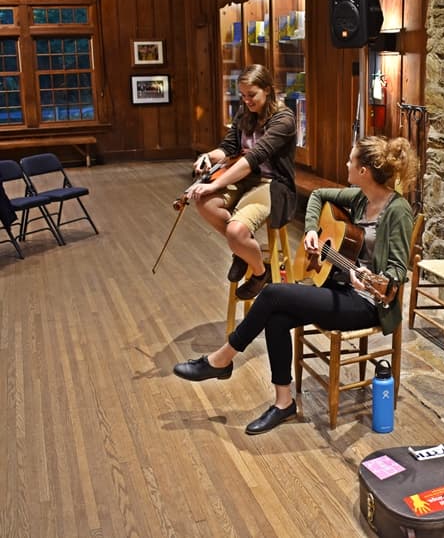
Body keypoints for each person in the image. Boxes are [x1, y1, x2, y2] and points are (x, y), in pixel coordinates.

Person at [174, 135, 419, 435]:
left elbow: (397, 271)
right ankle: (283, 403)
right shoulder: (360, 197)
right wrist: (314, 230)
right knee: (277, 318)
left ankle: (222, 359)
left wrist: (368, 281)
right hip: (340, 287)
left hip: (368, 304)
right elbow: (316, 198)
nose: (346, 163)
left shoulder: (398, 211)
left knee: (274, 292)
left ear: (364, 171)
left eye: (350, 160)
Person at [188, 64, 296, 300]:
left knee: (236, 232)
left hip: (273, 184)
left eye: (252, 95)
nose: (247, 101)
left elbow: (254, 157)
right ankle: (244, 251)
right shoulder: (245, 112)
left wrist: (215, 184)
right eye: (243, 96)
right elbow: (228, 148)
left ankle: (260, 272)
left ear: (267, 90)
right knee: (204, 202)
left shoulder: (284, 119)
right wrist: (207, 156)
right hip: (247, 178)